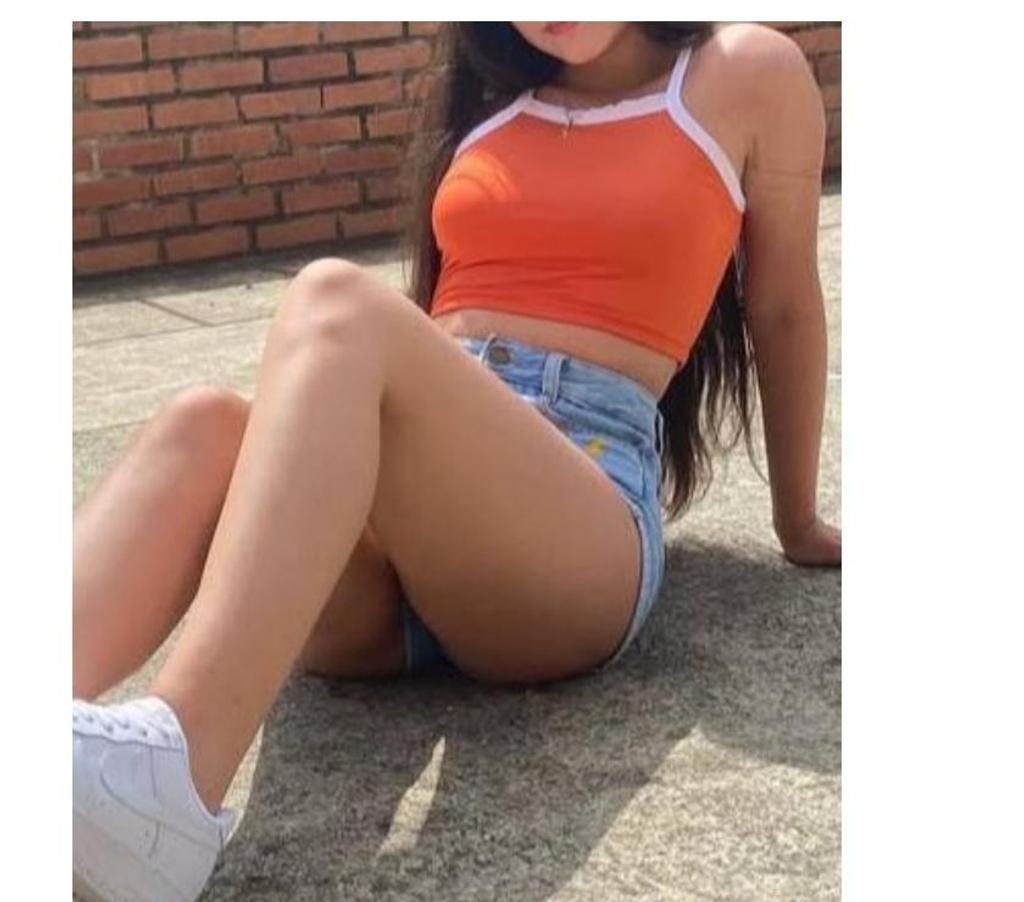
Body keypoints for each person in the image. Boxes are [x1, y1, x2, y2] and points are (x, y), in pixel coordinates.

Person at [72, 21, 841, 902]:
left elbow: (783, 304)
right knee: (201, 425)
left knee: (335, 300)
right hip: (406, 554)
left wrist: (797, 522)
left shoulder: (743, 73)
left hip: (575, 517)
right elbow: (426, 331)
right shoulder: (491, 93)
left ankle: (172, 783)